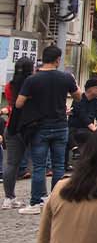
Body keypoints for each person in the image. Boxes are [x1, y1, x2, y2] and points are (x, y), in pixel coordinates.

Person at [15, 46, 82, 212]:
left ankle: (37, 201)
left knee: (39, 167)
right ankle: (57, 200)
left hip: (40, 127)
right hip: (60, 125)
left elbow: (19, 103)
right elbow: (78, 96)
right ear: (58, 60)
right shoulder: (66, 77)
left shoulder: (32, 80)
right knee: (59, 165)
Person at [2, 57, 35, 209]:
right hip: (31, 125)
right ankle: (38, 197)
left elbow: (11, 104)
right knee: (39, 163)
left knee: (11, 163)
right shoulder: (34, 85)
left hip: (13, 125)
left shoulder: (10, 86)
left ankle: (8, 198)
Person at [67, 78, 97, 165]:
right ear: (90, 89)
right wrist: (93, 128)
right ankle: (75, 153)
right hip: (76, 127)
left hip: (86, 128)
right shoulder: (79, 99)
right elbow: (82, 116)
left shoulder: (95, 101)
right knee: (70, 133)